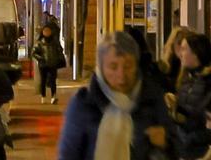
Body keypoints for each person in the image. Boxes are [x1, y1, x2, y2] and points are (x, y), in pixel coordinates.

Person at [57, 31, 172, 160]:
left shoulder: (152, 100)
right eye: (113, 67)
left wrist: (164, 144)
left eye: (128, 66)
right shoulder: (84, 104)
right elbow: (69, 154)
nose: (121, 75)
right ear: (101, 67)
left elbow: (172, 149)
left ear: (136, 65)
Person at [170, 32, 211, 159]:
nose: (180, 54)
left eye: (183, 49)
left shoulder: (208, 81)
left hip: (202, 152)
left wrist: (192, 139)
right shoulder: (186, 79)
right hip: (184, 150)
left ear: (196, 52)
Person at [33, 21, 66, 104]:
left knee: (52, 81)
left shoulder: (54, 42)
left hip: (53, 64)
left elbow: (60, 50)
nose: (46, 33)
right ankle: (43, 96)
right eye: (45, 31)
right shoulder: (40, 43)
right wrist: (41, 59)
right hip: (43, 65)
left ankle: (53, 96)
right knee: (43, 81)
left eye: (48, 31)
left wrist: (58, 58)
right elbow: (34, 53)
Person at [162, 27, 195, 91]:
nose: (183, 46)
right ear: (172, 45)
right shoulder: (165, 68)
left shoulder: (192, 67)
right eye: (179, 43)